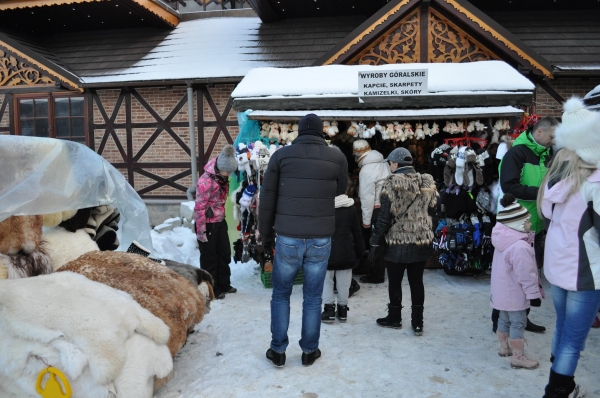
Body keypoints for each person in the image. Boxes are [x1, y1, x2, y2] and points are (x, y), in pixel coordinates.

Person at [259, 113, 348, 368]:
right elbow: (341, 189)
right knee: (312, 297)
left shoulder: (281, 156)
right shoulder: (337, 157)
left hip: (288, 236)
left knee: (281, 294)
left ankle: (278, 351)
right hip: (320, 236)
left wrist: (265, 236)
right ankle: (309, 351)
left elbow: (268, 199)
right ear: (322, 132)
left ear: (299, 131)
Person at [538, 97, 600, 398]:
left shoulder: (558, 177)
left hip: (559, 269)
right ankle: (557, 390)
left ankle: (564, 383)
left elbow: (549, 216)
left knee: (563, 330)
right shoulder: (594, 184)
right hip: (585, 273)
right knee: (573, 341)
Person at [495, 116, 560, 333]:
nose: (554, 140)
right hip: (517, 225)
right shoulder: (517, 153)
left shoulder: (548, 154)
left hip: (538, 223)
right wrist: (543, 194)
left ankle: (523, 317)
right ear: (539, 132)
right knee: (511, 275)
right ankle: (500, 321)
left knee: (530, 273)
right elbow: (509, 187)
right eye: (552, 136)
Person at [369, 148, 438, 335]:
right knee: (417, 282)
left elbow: (383, 219)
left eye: (390, 163)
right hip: (420, 240)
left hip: (397, 241)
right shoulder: (427, 182)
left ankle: (394, 317)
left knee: (395, 281)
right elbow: (433, 212)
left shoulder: (390, 184)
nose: (389, 166)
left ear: (396, 164)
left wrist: (374, 242)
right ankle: (418, 323)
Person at [490, 193, 542, 370]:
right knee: (518, 323)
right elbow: (526, 275)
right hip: (516, 294)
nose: (530, 224)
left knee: (503, 320)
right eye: (528, 221)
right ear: (519, 225)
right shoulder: (520, 247)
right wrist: (533, 295)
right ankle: (518, 357)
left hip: (502, 293)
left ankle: (504, 348)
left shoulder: (502, 242)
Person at [194, 144, 239, 300]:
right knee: (209, 258)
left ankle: (224, 284)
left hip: (220, 221)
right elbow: (199, 208)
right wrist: (201, 232)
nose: (229, 175)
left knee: (224, 254)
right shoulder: (205, 182)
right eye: (227, 172)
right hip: (207, 224)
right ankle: (212, 289)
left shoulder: (221, 178)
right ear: (220, 168)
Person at [321, 194, 365, 324]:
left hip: (326, 250)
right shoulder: (350, 207)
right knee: (344, 283)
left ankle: (329, 310)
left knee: (327, 281)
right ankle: (343, 310)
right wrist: (360, 251)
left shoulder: (323, 206)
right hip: (346, 251)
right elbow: (357, 232)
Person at [352, 139, 390, 284]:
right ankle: (369, 268)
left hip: (375, 210)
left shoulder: (366, 170)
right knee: (380, 242)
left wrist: (366, 221)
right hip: (386, 208)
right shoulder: (383, 164)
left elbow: (367, 198)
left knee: (373, 243)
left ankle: (376, 275)